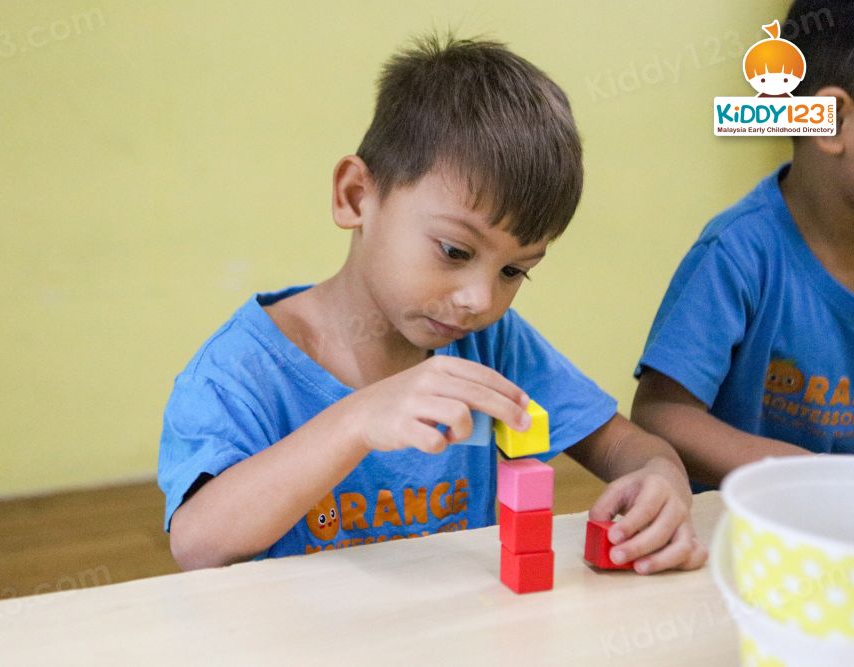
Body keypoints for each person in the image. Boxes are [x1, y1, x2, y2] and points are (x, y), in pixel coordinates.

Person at [159, 32, 708, 575]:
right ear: (356, 197)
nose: (479, 299)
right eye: (454, 250)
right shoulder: (241, 371)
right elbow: (198, 543)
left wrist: (662, 477)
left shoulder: (491, 345)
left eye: (514, 271)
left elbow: (626, 447)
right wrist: (355, 421)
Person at [632, 0, 854, 491]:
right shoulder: (738, 253)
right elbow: (659, 413)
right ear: (834, 121)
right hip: (742, 539)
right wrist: (805, 476)